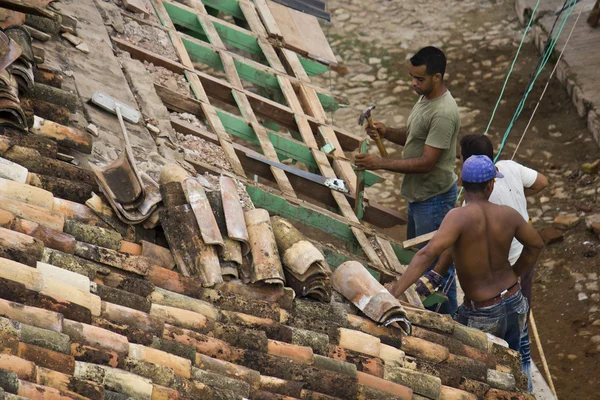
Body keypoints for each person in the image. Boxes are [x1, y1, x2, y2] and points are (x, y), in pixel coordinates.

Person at [417, 134, 548, 390]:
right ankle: (526, 390)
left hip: (490, 290)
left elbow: (442, 249)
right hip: (515, 280)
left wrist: (429, 278)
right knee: (520, 342)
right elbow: (543, 184)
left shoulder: (467, 209)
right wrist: (517, 272)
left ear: (464, 176)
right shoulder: (510, 173)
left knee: (481, 360)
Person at [388, 155, 544, 353]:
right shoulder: (508, 214)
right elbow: (536, 244)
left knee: (477, 368)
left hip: (482, 311)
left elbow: (426, 254)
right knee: (512, 364)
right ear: (490, 185)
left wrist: (394, 293)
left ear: (461, 182)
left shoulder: (457, 217)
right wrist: (515, 272)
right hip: (514, 302)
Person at [355, 46, 460, 314]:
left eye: (419, 79)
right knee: (419, 261)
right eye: (412, 77)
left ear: (437, 77)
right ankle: (425, 311)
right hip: (419, 197)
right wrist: (387, 132)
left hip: (433, 200)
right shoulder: (425, 98)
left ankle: (447, 322)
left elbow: (427, 162)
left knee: (437, 269)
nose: (413, 83)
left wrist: (381, 163)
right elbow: (414, 138)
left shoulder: (444, 113)